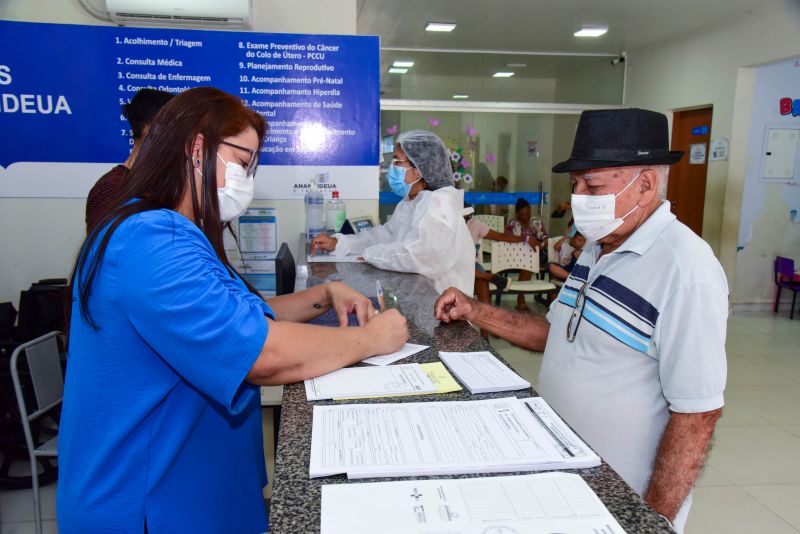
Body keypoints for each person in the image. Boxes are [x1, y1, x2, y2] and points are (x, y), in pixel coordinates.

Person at [58, 87, 408, 533]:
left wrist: (326, 293)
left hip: (195, 487)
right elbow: (260, 352)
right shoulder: (151, 239)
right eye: (242, 163)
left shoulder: (171, 230)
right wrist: (371, 339)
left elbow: (244, 313)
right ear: (197, 148)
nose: (246, 179)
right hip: (148, 504)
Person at [434, 108, 727, 533]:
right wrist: (476, 310)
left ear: (644, 184)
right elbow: (555, 334)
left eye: (592, 185)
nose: (580, 199)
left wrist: (649, 520)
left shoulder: (686, 270)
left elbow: (697, 415)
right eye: (575, 186)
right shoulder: (598, 247)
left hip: (621, 497)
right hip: (564, 471)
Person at [310, 130, 474, 295]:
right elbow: (383, 235)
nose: (392, 167)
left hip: (442, 302)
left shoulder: (440, 204)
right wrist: (339, 243)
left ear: (419, 169)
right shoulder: (409, 202)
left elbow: (419, 257)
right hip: (417, 295)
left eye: (397, 161)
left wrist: (370, 256)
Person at [85, 88, 173, 232]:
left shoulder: (160, 186)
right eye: (173, 126)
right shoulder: (111, 189)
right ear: (148, 128)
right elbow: (109, 248)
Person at [505, 197, 548, 310]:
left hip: (535, 254)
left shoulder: (535, 222)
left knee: (530, 262)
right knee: (529, 262)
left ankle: (521, 298)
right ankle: (521, 298)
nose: (526, 217)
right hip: (515, 254)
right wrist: (527, 240)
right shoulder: (512, 223)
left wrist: (541, 244)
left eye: (528, 214)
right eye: (522, 214)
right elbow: (508, 240)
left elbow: (545, 237)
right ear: (517, 213)